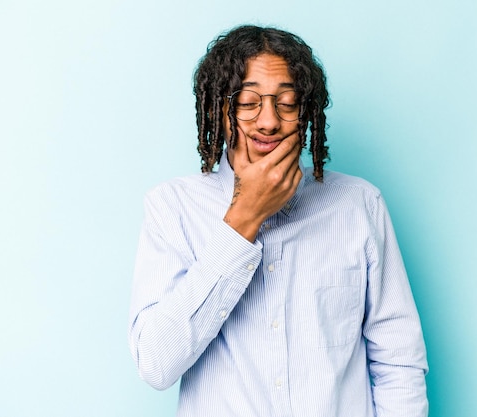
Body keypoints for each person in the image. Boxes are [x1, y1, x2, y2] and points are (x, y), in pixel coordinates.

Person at [128, 24, 428, 417]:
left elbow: (398, 361)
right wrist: (241, 221)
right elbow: (155, 362)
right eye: (248, 102)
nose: (268, 122)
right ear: (220, 107)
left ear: (305, 112)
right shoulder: (173, 207)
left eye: (286, 103)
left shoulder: (359, 205)